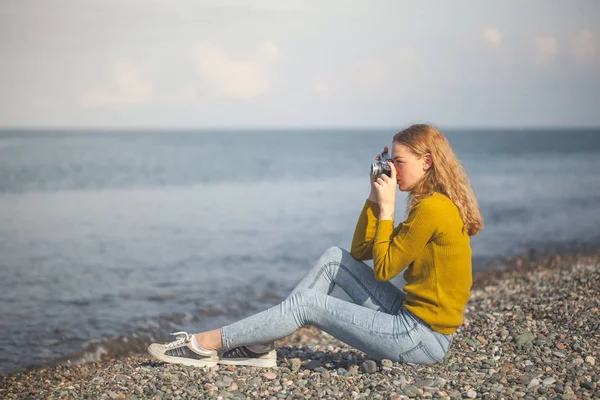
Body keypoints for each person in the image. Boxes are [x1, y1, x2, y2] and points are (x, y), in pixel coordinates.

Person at [147, 123, 484, 367]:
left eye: (399, 161)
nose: (392, 170)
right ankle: (259, 344)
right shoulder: (432, 203)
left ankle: (204, 344)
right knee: (334, 259)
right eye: (390, 162)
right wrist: (373, 196)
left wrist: (388, 207)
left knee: (309, 304)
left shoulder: (431, 208)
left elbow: (383, 269)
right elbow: (360, 252)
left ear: (426, 162)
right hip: (414, 321)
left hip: (420, 339)